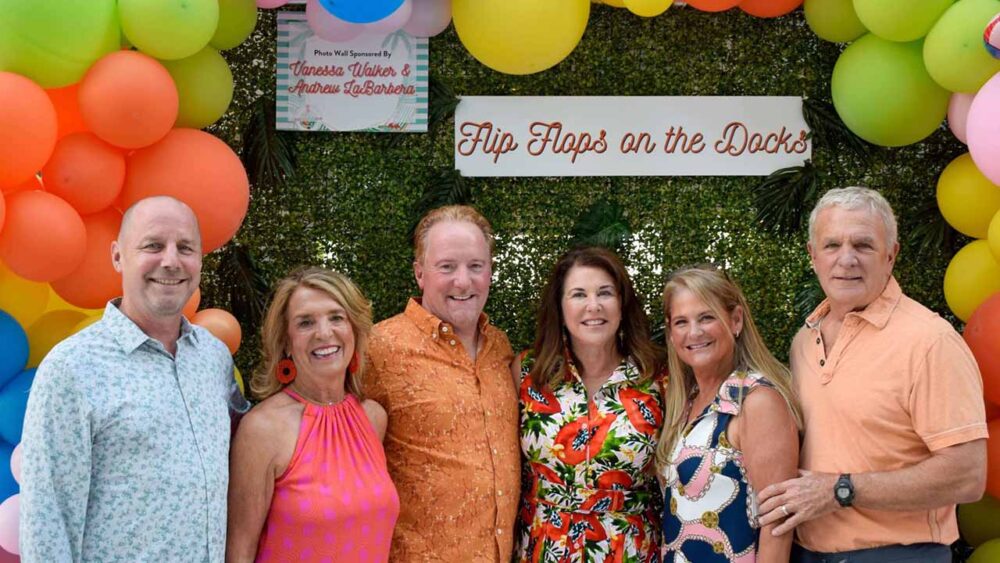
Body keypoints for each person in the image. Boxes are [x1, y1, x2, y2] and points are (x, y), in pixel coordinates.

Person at [757, 187, 988, 562]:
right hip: (806, 554)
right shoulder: (804, 341)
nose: (846, 259)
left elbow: (967, 476)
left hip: (899, 555)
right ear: (813, 256)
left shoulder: (930, 341)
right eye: (832, 245)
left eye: (863, 245)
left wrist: (840, 490)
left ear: (890, 255)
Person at [19, 196, 248, 562]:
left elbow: (250, 444)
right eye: (153, 245)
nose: (171, 260)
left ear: (199, 260)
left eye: (185, 248)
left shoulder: (213, 357)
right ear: (117, 256)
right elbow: (47, 523)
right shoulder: (72, 368)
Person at [364, 205, 520, 562]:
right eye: (447, 267)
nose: (463, 281)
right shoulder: (378, 348)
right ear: (420, 273)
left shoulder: (500, 347)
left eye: (475, 266)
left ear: (490, 272)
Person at [226, 267, 398, 562]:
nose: (324, 333)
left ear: (354, 330)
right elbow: (239, 550)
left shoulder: (373, 418)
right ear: (286, 342)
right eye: (306, 322)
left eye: (336, 317)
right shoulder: (263, 429)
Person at [515, 246, 665, 562]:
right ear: (560, 307)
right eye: (579, 294)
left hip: (630, 551)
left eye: (605, 293)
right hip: (545, 549)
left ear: (622, 304)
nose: (593, 306)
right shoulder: (527, 373)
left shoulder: (657, 378)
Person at [658, 265, 801, 562]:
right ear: (671, 333)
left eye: (706, 317)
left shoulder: (756, 401)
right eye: (681, 322)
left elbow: (778, 524)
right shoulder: (686, 403)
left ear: (735, 320)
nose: (694, 332)